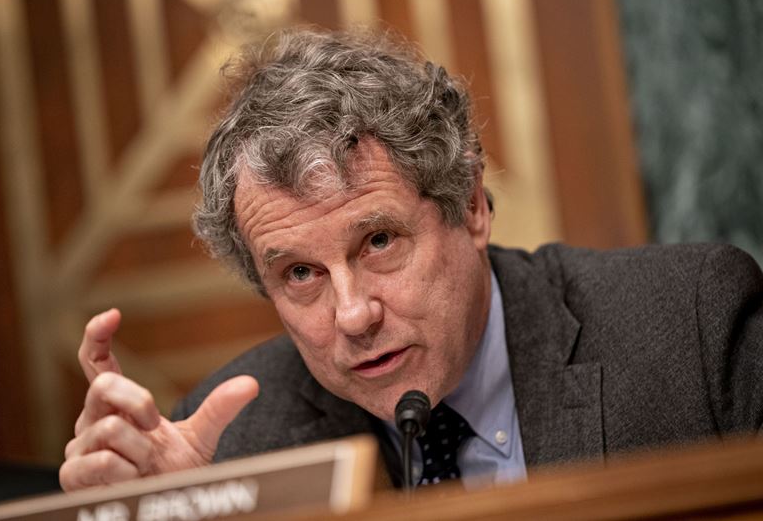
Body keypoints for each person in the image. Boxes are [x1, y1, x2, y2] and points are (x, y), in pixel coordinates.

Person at [59, 27, 763, 492]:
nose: (353, 315)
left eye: (379, 242)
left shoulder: (694, 331)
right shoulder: (227, 451)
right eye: (300, 273)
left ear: (471, 206)